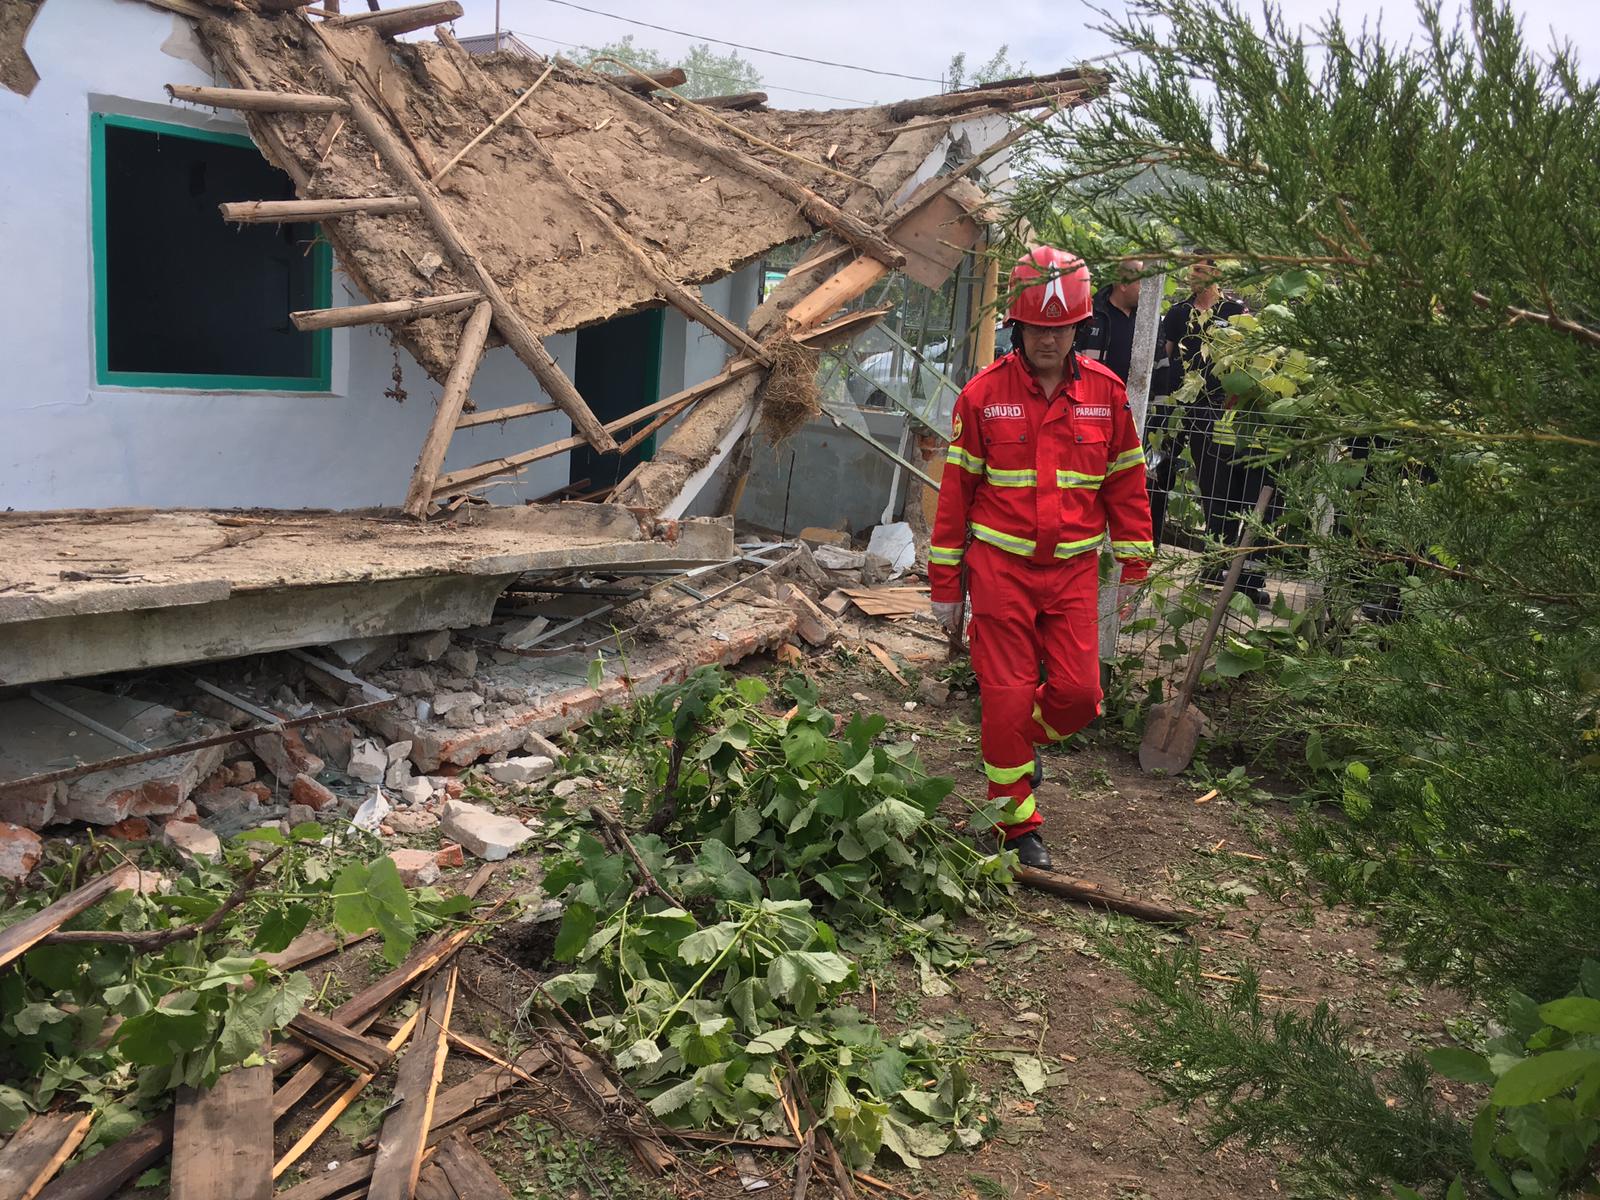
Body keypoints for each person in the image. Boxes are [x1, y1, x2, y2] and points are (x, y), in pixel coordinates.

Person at [928, 248, 1154, 869]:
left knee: (1080, 695)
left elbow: (1126, 484)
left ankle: (1015, 741)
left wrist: (1135, 563)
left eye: (1060, 329)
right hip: (999, 573)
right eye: (1035, 328)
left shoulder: (1107, 395)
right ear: (1017, 327)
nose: (1048, 340)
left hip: (1074, 574)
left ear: (1079, 327)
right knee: (1005, 697)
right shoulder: (982, 396)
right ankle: (1016, 825)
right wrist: (945, 586)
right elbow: (955, 497)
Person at [1159, 258, 1271, 602]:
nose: (1191, 275)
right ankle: (1213, 562)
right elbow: (1166, 356)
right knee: (1208, 486)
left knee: (1230, 488)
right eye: (1190, 269)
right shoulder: (1178, 313)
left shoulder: (1234, 311)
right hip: (1188, 409)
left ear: (1216, 273)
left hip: (1224, 411)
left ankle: (1233, 570)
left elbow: (1251, 358)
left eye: (1199, 270)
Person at [1078, 259, 1172, 539]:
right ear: (1123, 284)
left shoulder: (1150, 321)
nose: (1148, 290)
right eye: (1144, 282)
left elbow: (1162, 370)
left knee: (1130, 487)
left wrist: (1161, 419)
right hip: (1093, 419)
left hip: (1137, 422)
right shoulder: (1093, 315)